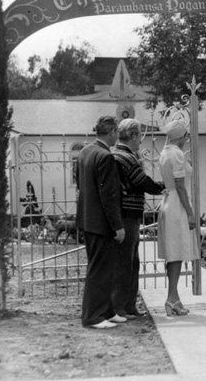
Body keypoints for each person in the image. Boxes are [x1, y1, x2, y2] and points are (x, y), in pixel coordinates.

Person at [112, 118, 165, 319]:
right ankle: (121, 307)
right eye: (140, 135)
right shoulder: (126, 157)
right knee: (126, 263)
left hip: (126, 214)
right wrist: (164, 186)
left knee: (131, 261)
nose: (141, 140)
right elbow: (142, 182)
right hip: (127, 216)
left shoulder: (118, 155)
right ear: (133, 135)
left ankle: (128, 306)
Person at [75, 116, 125, 329]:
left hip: (88, 219)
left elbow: (80, 184)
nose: (117, 137)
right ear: (112, 131)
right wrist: (118, 225)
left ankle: (107, 311)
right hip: (101, 222)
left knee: (105, 268)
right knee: (99, 269)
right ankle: (92, 317)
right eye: (117, 133)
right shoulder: (106, 156)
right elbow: (109, 195)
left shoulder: (85, 152)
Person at [157, 119, 199, 316]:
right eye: (186, 135)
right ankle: (172, 298)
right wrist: (190, 213)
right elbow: (181, 186)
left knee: (173, 252)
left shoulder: (165, 153)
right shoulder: (177, 154)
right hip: (177, 205)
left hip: (168, 201)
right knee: (176, 252)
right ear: (181, 137)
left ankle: (173, 297)